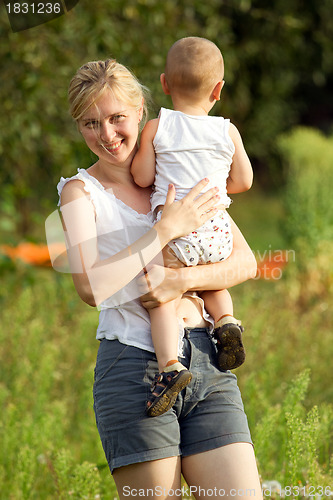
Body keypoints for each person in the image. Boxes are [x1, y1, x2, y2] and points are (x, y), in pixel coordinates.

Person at [57, 57, 262, 499]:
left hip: (208, 362)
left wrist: (176, 284)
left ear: (141, 113)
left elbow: (246, 263)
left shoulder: (174, 171)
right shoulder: (79, 193)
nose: (107, 135)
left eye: (116, 119)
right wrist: (164, 230)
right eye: (91, 123)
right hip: (135, 369)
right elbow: (91, 287)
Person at [131, 37, 253, 416]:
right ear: (218, 89)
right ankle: (227, 321)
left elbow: (140, 176)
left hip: (176, 226)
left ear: (165, 84)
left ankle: (169, 366)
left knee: (163, 294)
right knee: (211, 278)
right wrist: (218, 192)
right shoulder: (227, 130)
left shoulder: (157, 125)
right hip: (215, 226)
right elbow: (245, 180)